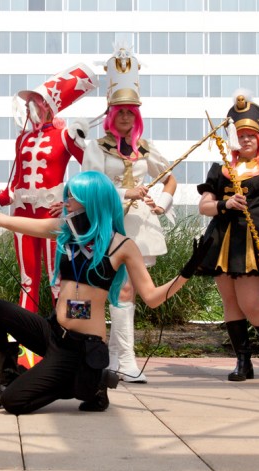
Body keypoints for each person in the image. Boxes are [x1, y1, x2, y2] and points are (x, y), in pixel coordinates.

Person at [0, 171, 209, 414]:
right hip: (52, 331)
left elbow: (152, 297)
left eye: (72, 197)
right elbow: (13, 223)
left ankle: (90, 382)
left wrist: (187, 272)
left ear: (91, 201)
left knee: (15, 403)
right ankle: (7, 378)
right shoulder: (66, 230)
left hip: (81, 346)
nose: (67, 202)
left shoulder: (123, 246)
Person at [81, 47, 174, 383]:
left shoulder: (145, 147)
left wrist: (161, 202)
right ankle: (124, 360)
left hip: (141, 228)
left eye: (131, 112)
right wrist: (124, 193)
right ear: (110, 114)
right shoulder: (95, 147)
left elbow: (170, 176)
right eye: (120, 112)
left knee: (129, 291)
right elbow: (88, 188)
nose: (125, 118)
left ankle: (120, 360)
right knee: (118, 291)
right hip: (109, 226)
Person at [196, 94, 259, 381]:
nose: (247, 139)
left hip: (254, 242)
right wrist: (225, 205)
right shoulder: (220, 169)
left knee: (251, 302)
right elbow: (204, 206)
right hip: (221, 240)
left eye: (251, 135)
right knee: (231, 303)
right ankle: (243, 362)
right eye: (241, 134)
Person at [0, 64, 96, 315]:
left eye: (36, 100)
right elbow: (18, 175)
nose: (31, 105)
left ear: (49, 104)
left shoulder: (65, 135)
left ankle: (69, 337)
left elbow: (92, 169)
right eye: (30, 101)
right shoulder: (22, 138)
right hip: (22, 214)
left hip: (52, 214)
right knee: (27, 279)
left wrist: (74, 201)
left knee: (59, 278)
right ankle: (25, 347)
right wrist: (7, 193)